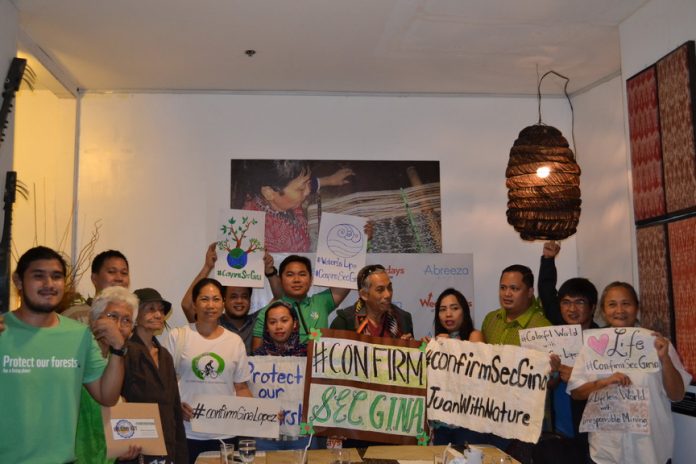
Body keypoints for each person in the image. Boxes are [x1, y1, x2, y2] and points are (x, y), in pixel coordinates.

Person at [0, 246, 126, 463]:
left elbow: (107, 396)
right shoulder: (3, 330)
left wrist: (117, 349)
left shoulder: (79, 335)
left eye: (56, 277)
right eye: (38, 276)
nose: (49, 284)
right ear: (18, 281)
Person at [568, 282, 691, 464]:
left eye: (626, 303)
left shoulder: (657, 343)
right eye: (612, 304)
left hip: (650, 451)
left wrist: (665, 359)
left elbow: (677, 394)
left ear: (637, 307)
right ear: (603, 310)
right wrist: (603, 382)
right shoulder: (592, 346)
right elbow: (576, 392)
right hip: (605, 451)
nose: (619, 310)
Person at [165, 277, 252, 463]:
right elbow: (165, 384)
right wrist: (176, 407)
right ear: (194, 304)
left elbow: (242, 388)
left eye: (216, 299)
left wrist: (264, 414)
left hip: (225, 435)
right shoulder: (178, 336)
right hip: (187, 433)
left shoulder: (234, 341)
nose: (210, 305)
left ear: (223, 304)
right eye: (204, 299)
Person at [534, 241, 600, 464]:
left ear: (592, 307)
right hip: (559, 431)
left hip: (594, 433)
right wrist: (548, 259)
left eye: (580, 302)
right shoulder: (559, 328)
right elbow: (545, 290)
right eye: (566, 302)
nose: (572, 309)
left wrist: (579, 375)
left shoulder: (605, 340)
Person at [75, 286, 142, 464]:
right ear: (94, 319)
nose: (118, 327)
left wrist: (120, 448)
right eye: (112, 317)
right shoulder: (76, 352)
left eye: (126, 320)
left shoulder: (121, 360)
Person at [121, 288, 187, 464]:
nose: (158, 314)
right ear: (135, 315)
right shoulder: (125, 352)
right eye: (150, 309)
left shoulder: (165, 355)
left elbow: (174, 406)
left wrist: (180, 455)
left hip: (168, 446)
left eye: (161, 310)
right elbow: (118, 402)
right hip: (136, 449)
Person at [232, 159, 354, 252]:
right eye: (301, 188)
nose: (307, 191)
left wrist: (329, 180)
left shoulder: (278, 197)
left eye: (308, 183)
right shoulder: (264, 238)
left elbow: (305, 183)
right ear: (269, 192)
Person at [181, 243, 274, 354]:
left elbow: (281, 299)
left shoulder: (259, 320)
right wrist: (207, 267)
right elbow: (187, 305)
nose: (239, 301)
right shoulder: (212, 320)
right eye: (233, 296)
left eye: (244, 297)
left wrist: (269, 271)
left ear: (250, 300)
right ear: (223, 300)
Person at [252, 255, 350, 350]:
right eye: (290, 275)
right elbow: (257, 354)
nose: (296, 280)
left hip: (318, 364)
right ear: (281, 280)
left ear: (311, 279)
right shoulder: (268, 312)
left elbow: (348, 279)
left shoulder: (321, 302)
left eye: (302, 274)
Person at [253, 301, 314, 451]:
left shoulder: (309, 355)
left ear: (294, 324)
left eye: (284, 320)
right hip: (264, 437)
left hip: (302, 437)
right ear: (266, 327)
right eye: (272, 322)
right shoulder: (256, 358)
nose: (278, 326)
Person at [429, 288, 485, 446]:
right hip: (442, 424)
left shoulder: (474, 335)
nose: (448, 314)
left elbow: (473, 370)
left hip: (467, 424)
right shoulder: (436, 342)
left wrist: (449, 345)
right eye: (442, 309)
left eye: (454, 308)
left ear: (464, 311)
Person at [330, 264, 413, 339]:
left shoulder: (403, 319)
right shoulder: (345, 322)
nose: (388, 295)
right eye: (380, 290)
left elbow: (411, 353)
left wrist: (411, 347)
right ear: (364, 294)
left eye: (389, 288)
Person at [482, 264, 551, 346]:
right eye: (503, 288)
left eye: (514, 288)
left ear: (530, 292)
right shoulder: (490, 319)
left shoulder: (543, 328)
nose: (507, 294)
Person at [63, 249, 131, 324]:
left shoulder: (132, 316)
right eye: (111, 272)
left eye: (124, 273)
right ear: (94, 278)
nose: (119, 278)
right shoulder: (75, 316)